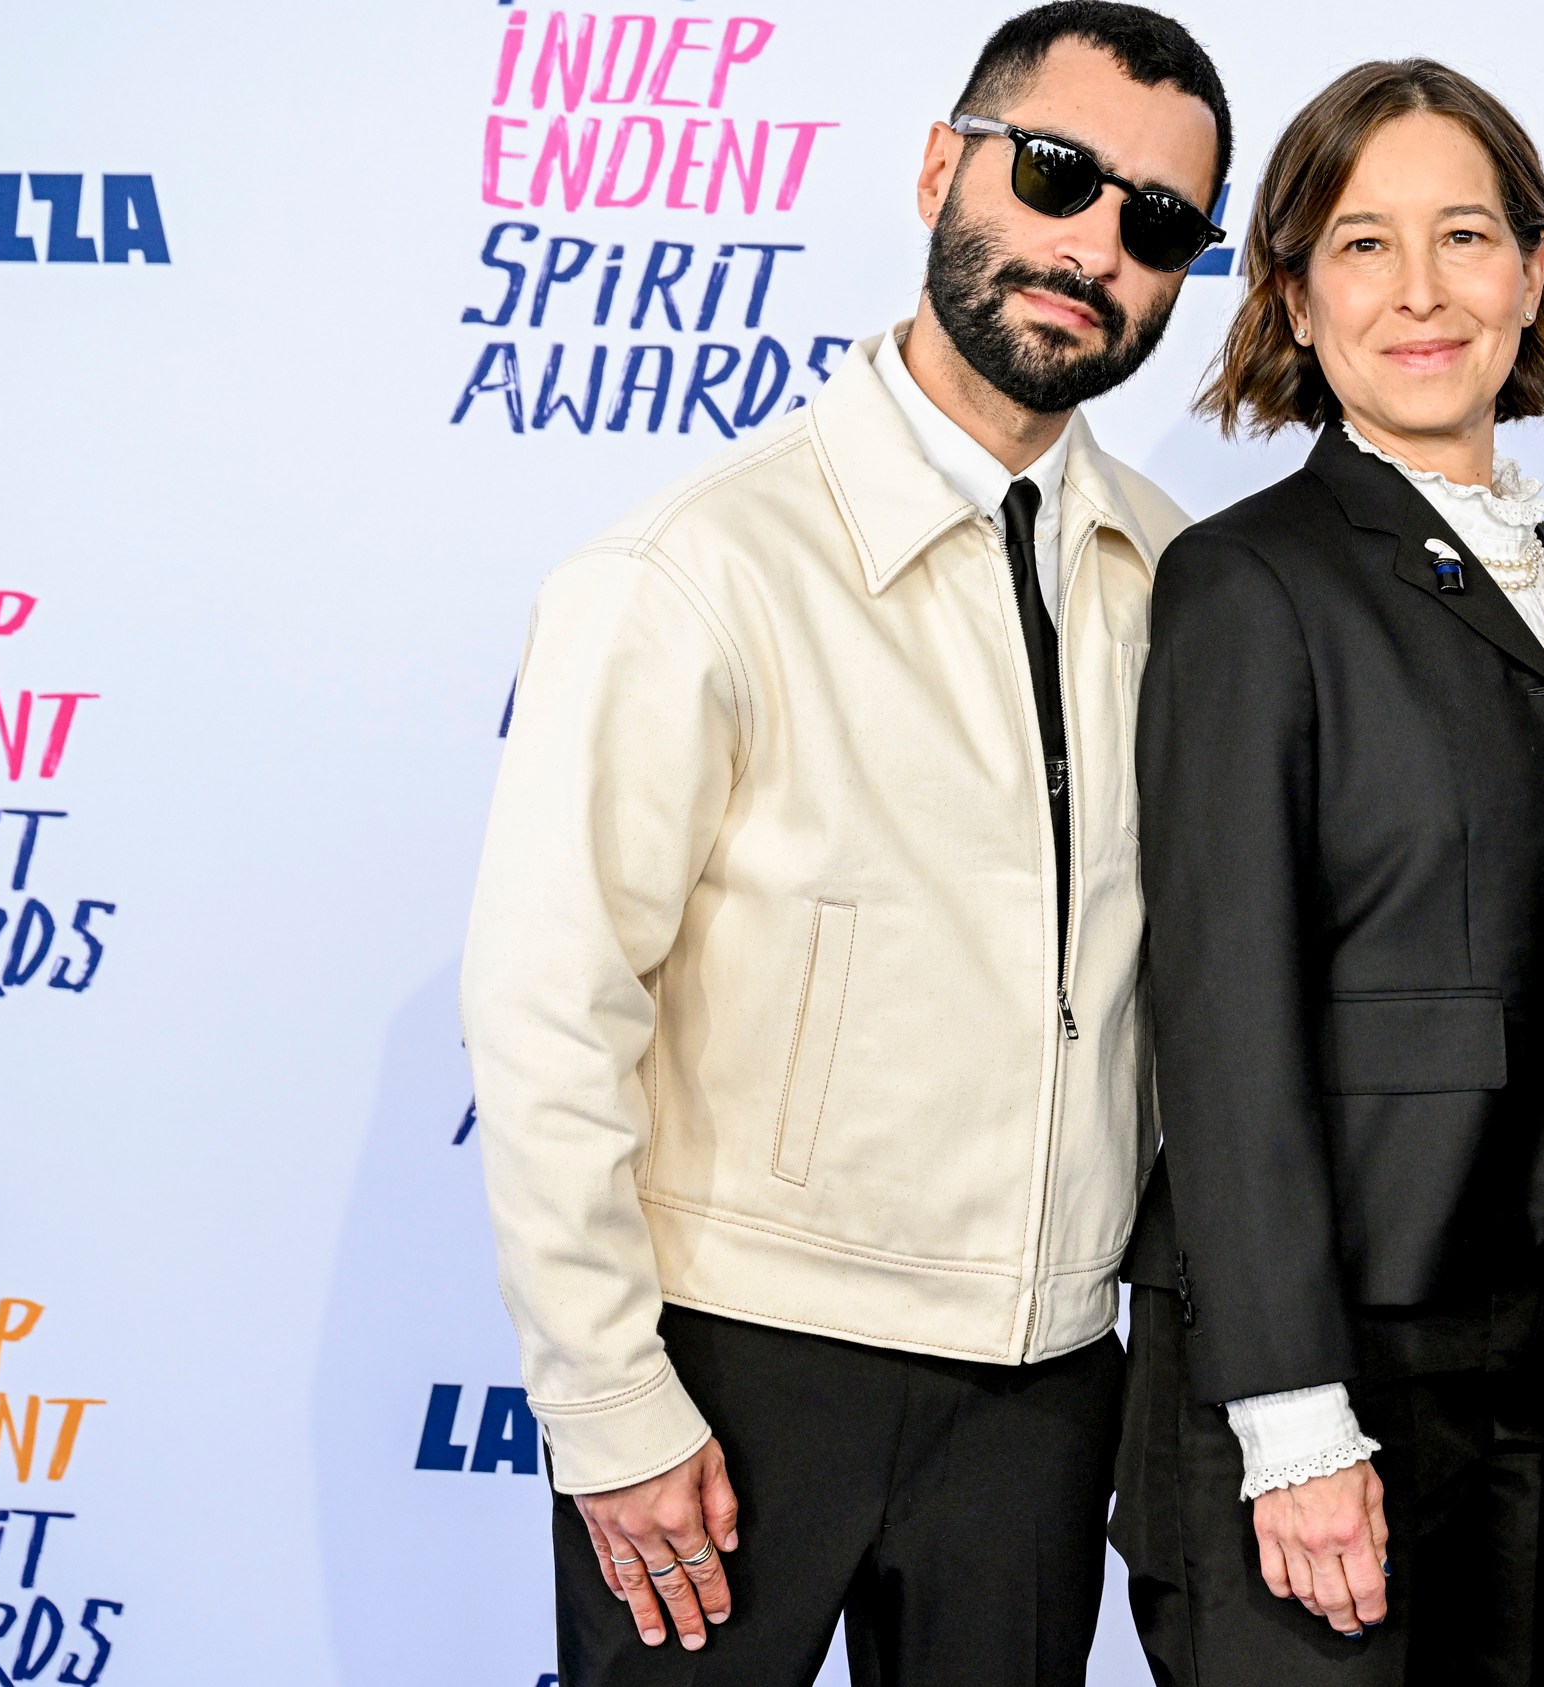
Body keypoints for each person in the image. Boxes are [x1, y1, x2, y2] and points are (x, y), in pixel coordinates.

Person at [456, 5, 1227, 1680]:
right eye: (1057, 175)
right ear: (943, 165)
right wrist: (606, 1402)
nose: (1094, 245)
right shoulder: (695, 572)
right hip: (735, 1377)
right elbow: (546, 1009)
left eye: (1156, 223)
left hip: (1044, 1389)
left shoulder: (1184, 582)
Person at [1109, 59, 1544, 1687]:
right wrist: (1292, 1420)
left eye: (1468, 236)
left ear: (1540, 269)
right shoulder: (1245, 587)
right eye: (1360, 244)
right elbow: (1224, 1019)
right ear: (1288, 289)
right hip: (1334, 1382)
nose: (1420, 292)